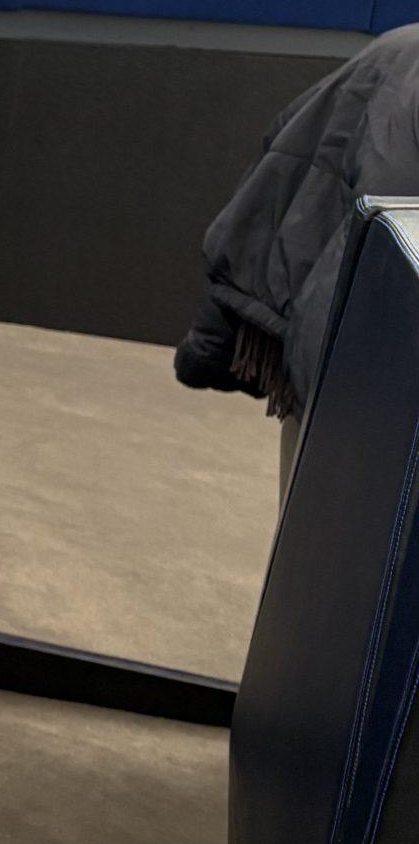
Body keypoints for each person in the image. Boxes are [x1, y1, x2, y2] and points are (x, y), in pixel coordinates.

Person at [173, 24, 419, 493]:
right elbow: (381, 271)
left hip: (319, 320)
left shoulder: (397, 46)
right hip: (351, 356)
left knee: (313, 515)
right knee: (340, 505)